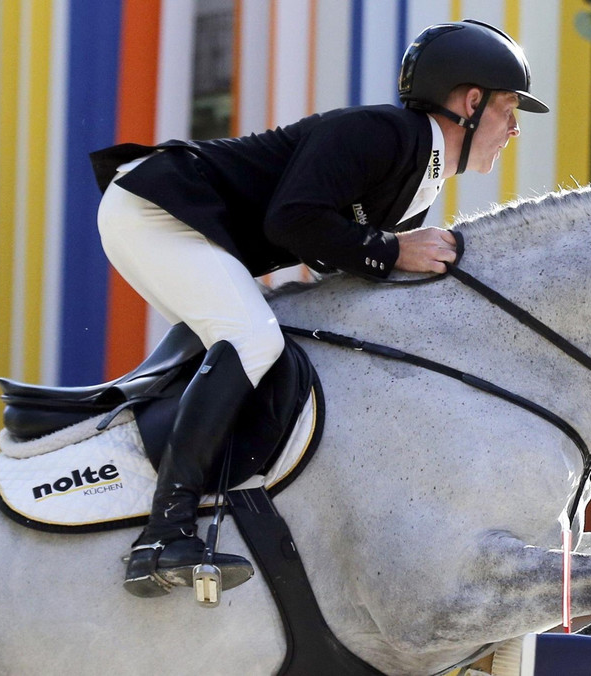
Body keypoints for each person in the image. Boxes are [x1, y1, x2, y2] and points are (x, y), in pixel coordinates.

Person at [89, 20, 550, 599]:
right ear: (471, 100)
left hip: (175, 220)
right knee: (253, 339)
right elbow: (294, 220)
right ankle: (163, 535)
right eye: (509, 109)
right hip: (158, 209)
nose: (514, 130)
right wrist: (393, 248)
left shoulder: (421, 176)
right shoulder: (385, 133)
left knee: (261, 350)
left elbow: (342, 266)